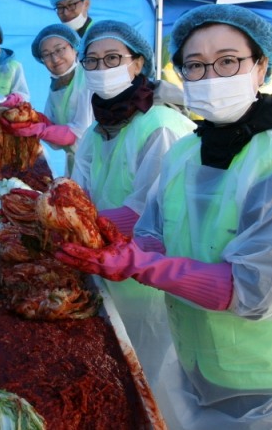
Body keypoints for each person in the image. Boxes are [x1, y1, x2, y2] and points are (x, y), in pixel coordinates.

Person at [55, 5, 272, 429]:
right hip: (198, 362)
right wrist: (118, 249)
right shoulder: (187, 152)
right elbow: (153, 233)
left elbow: (254, 289)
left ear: (261, 66)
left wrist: (139, 264)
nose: (211, 76)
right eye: (194, 65)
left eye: (228, 61)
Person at [69, 20, 195, 388]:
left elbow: (145, 215)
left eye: (112, 58)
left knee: (149, 379)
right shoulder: (98, 131)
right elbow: (79, 196)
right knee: (115, 370)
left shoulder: (161, 127)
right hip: (105, 265)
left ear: (138, 63)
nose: (101, 68)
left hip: (148, 280)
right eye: (92, 61)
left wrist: (69, 226)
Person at [7, 23, 93, 176]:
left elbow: (80, 132)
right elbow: (54, 132)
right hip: (76, 165)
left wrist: (41, 130)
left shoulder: (88, 80)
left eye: (59, 49)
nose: (54, 58)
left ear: (74, 48)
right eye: (46, 55)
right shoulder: (57, 84)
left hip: (97, 163)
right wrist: (32, 117)